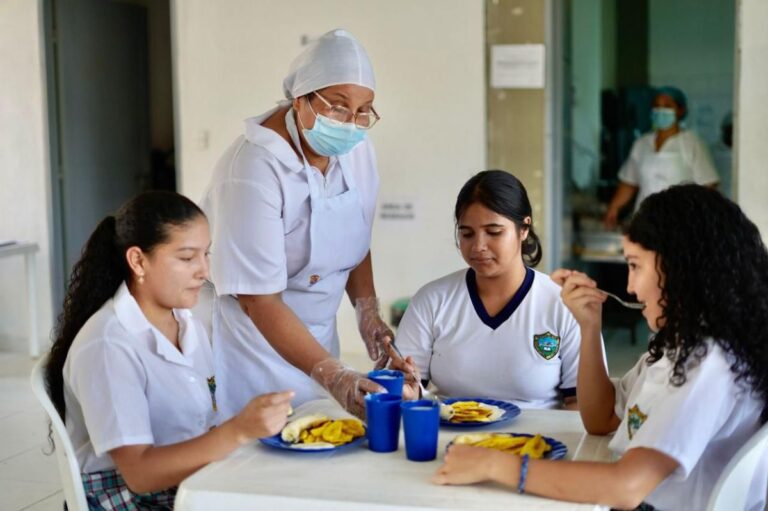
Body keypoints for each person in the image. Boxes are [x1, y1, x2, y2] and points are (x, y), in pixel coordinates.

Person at [434, 184, 768, 511]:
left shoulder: (710, 362)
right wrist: (589, 327)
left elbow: (626, 487)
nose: (630, 286)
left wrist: (495, 465)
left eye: (635, 265)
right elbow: (602, 418)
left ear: (680, 268)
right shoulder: (680, 348)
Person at [44, 192, 293, 509]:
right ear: (138, 261)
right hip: (128, 496)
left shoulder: (187, 322)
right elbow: (139, 474)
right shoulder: (107, 345)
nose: (204, 271)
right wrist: (238, 431)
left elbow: (199, 424)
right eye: (187, 258)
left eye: (206, 254)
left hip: (182, 479)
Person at [200, 28, 393, 420]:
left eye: (363, 110)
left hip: (317, 340)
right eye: (338, 106)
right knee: (259, 440)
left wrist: (368, 312)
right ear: (300, 98)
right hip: (252, 344)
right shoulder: (252, 170)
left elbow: (354, 234)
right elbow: (258, 300)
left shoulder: (356, 148)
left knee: (318, 432)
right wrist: (332, 373)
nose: (351, 123)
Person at [390, 171, 587, 409]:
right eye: (467, 233)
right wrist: (404, 392)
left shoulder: (562, 302)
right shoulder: (431, 301)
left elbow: (580, 402)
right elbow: (408, 388)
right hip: (450, 431)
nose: (478, 246)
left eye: (494, 232)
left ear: (524, 229)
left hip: (542, 433)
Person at [604, 86, 719, 229]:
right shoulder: (642, 143)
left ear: (680, 111)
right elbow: (629, 182)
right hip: (645, 220)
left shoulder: (692, 143)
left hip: (681, 222)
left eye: (667, 106)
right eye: (656, 106)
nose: (660, 111)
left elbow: (708, 186)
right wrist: (614, 207)